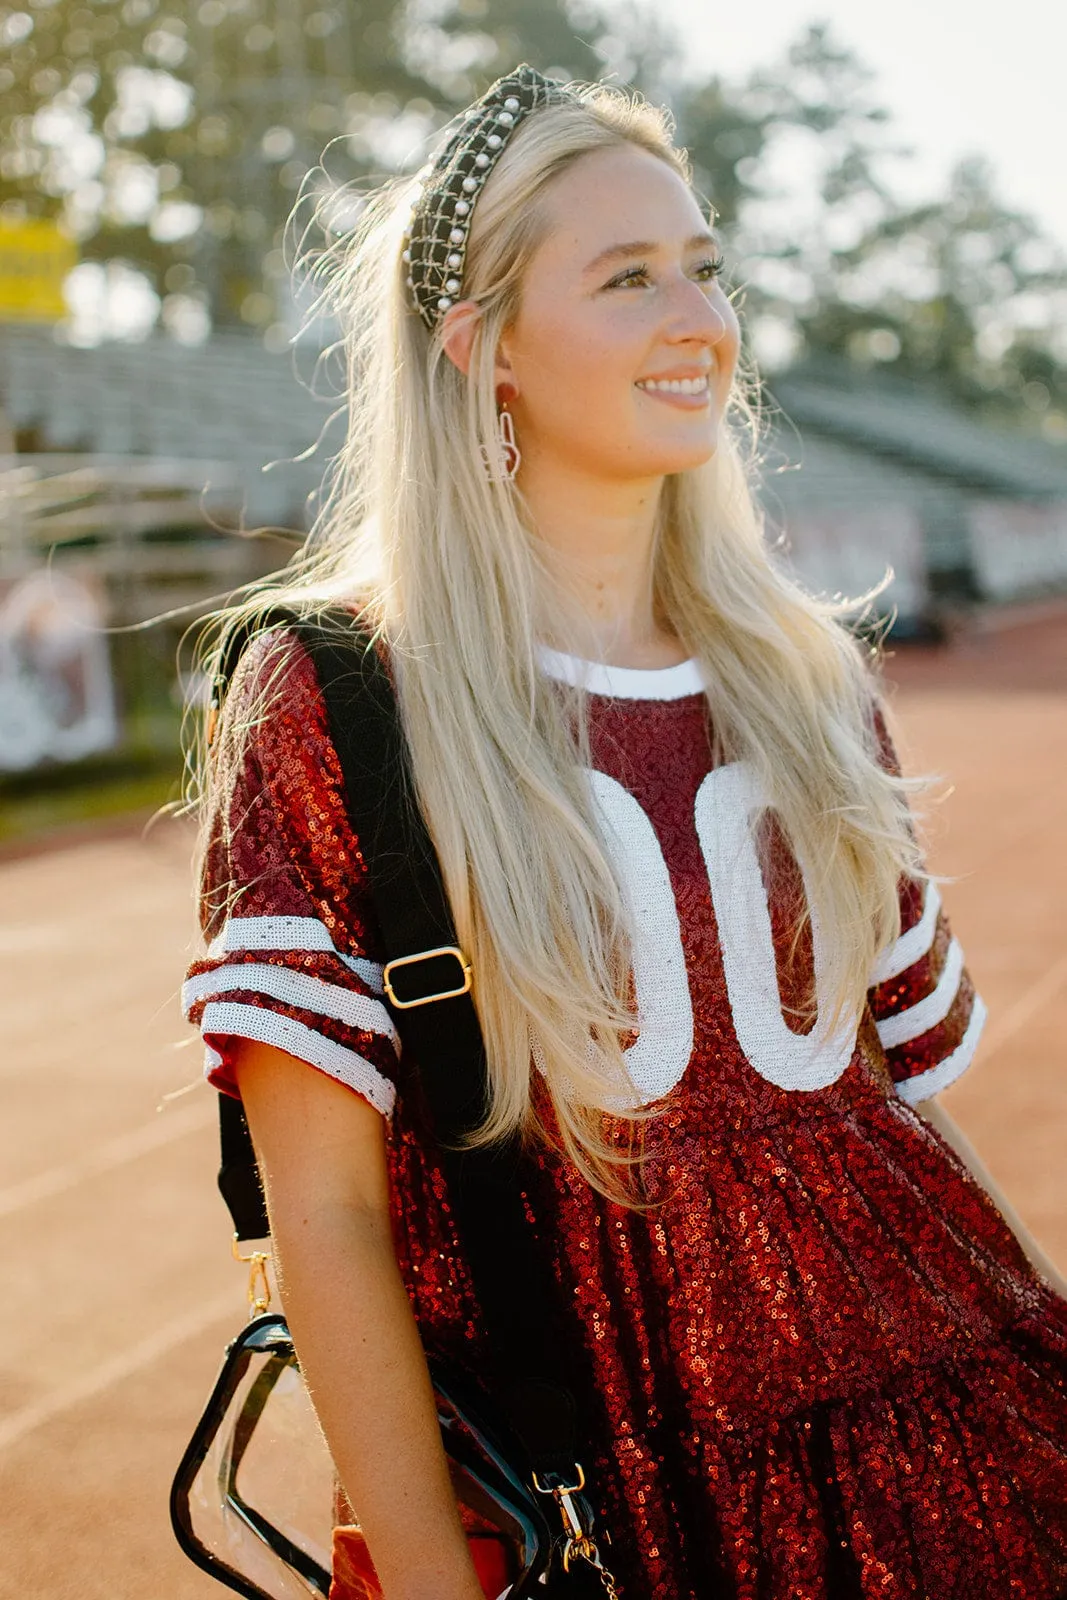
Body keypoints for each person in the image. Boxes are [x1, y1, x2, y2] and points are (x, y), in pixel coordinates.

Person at [182, 64, 1067, 1600]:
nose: (696, 318)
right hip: (607, 1460)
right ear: (483, 350)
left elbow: (892, 1106)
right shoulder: (343, 696)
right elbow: (323, 1217)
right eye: (627, 277)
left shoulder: (807, 676)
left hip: (930, 1424)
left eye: (705, 268)